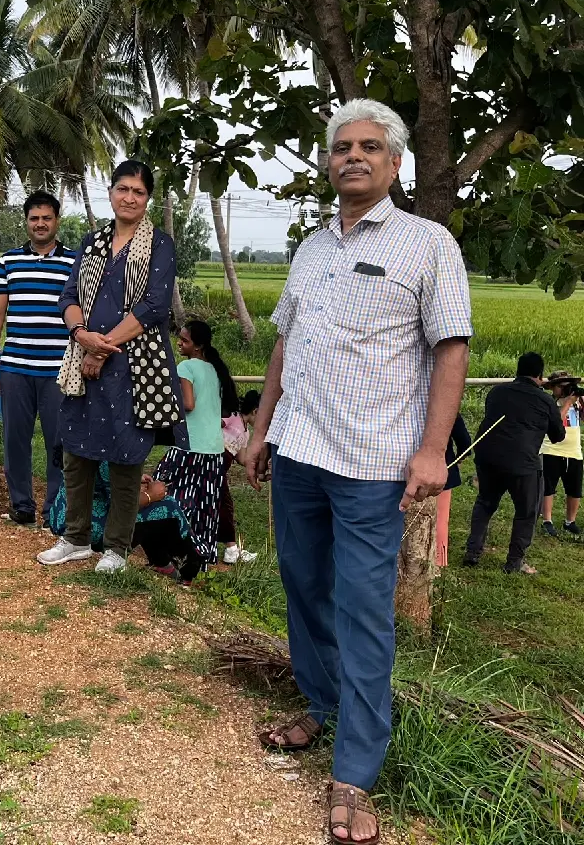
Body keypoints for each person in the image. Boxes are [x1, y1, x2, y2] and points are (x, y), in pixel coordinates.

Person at [244, 99, 473, 845]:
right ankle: (320, 701)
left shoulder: (427, 243)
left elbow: (451, 349)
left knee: (364, 610)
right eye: (342, 146)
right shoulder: (311, 247)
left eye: (370, 146)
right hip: (300, 453)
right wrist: (262, 427)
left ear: (395, 162)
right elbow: (285, 343)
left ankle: (356, 771)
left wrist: (433, 450)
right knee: (304, 586)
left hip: (373, 464)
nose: (353, 156)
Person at [38, 160, 185, 575]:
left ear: (147, 199)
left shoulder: (159, 244)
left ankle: (117, 547)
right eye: (123, 189)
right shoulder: (93, 242)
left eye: (139, 192)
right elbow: (68, 296)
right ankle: (76, 538)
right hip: (82, 359)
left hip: (133, 366)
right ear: (111, 192)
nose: (130, 198)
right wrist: (81, 334)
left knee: (125, 456)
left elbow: (154, 305)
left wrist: (101, 349)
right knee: (76, 451)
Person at [0, 192, 76, 525]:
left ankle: (55, 508)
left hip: (59, 370)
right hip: (16, 368)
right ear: (27, 222)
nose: (40, 224)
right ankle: (21, 504)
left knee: (59, 443)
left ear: (56, 221)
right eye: (34, 218)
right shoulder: (9, 262)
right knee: (15, 440)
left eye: (46, 218)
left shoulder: (75, 263)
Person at [150, 319, 238, 577]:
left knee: (161, 488)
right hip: (213, 449)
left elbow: (187, 404)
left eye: (185, 340)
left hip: (190, 445)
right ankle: (201, 555)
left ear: (198, 345)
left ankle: (167, 549)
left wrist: (164, 402)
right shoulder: (215, 370)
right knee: (205, 503)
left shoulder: (186, 367)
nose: (179, 342)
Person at [464, 352, 565, 574]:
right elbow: (558, 436)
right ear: (540, 375)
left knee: (485, 502)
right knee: (526, 512)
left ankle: (473, 551)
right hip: (523, 463)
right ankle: (514, 562)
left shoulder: (497, 392)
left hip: (488, 456)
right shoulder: (545, 400)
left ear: (518, 370)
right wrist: (558, 400)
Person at [46, 452, 199, 577]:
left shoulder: (90, 435)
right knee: (167, 506)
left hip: (63, 517)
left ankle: (162, 563)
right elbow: (120, 504)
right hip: (93, 529)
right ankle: (190, 572)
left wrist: (134, 481)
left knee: (153, 508)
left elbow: (102, 478)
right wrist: (151, 495)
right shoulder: (112, 444)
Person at [219, 388, 261, 564]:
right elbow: (214, 424)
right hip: (214, 461)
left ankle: (228, 547)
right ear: (255, 411)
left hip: (222, 468)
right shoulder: (232, 416)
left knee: (223, 504)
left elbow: (243, 459)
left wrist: (260, 465)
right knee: (225, 505)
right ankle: (231, 549)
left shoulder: (245, 432)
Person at [539, 371, 582, 538]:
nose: (564, 389)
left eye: (567, 385)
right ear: (552, 388)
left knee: (575, 489)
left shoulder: (577, 402)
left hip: (574, 451)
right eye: (560, 385)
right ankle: (547, 520)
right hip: (552, 449)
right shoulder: (549, 402)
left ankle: (570, 521)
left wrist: (578, 401)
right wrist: (567, 403)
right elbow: (555, 422)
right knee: (548, 487)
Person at [436, 414, 472, 567]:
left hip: (405, 471)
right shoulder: (448, 410)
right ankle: (438, 561)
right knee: (440, 518)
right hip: (443, 468)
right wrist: (459, 457)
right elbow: (465, 443)